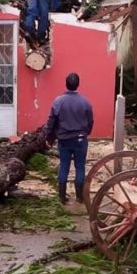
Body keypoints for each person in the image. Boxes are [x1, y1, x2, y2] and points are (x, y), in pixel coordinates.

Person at [45, 73, 94, 205]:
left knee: (64, 166)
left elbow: (51, 121)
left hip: (64, 140)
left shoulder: (58, 101)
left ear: (66, 84)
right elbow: (90, 122)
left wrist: (49, 138)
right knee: (80, 167)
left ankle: (61, 197)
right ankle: (79, 197)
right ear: (78, 84)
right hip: (80, 140)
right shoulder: (85, 102)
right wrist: (85, 133)